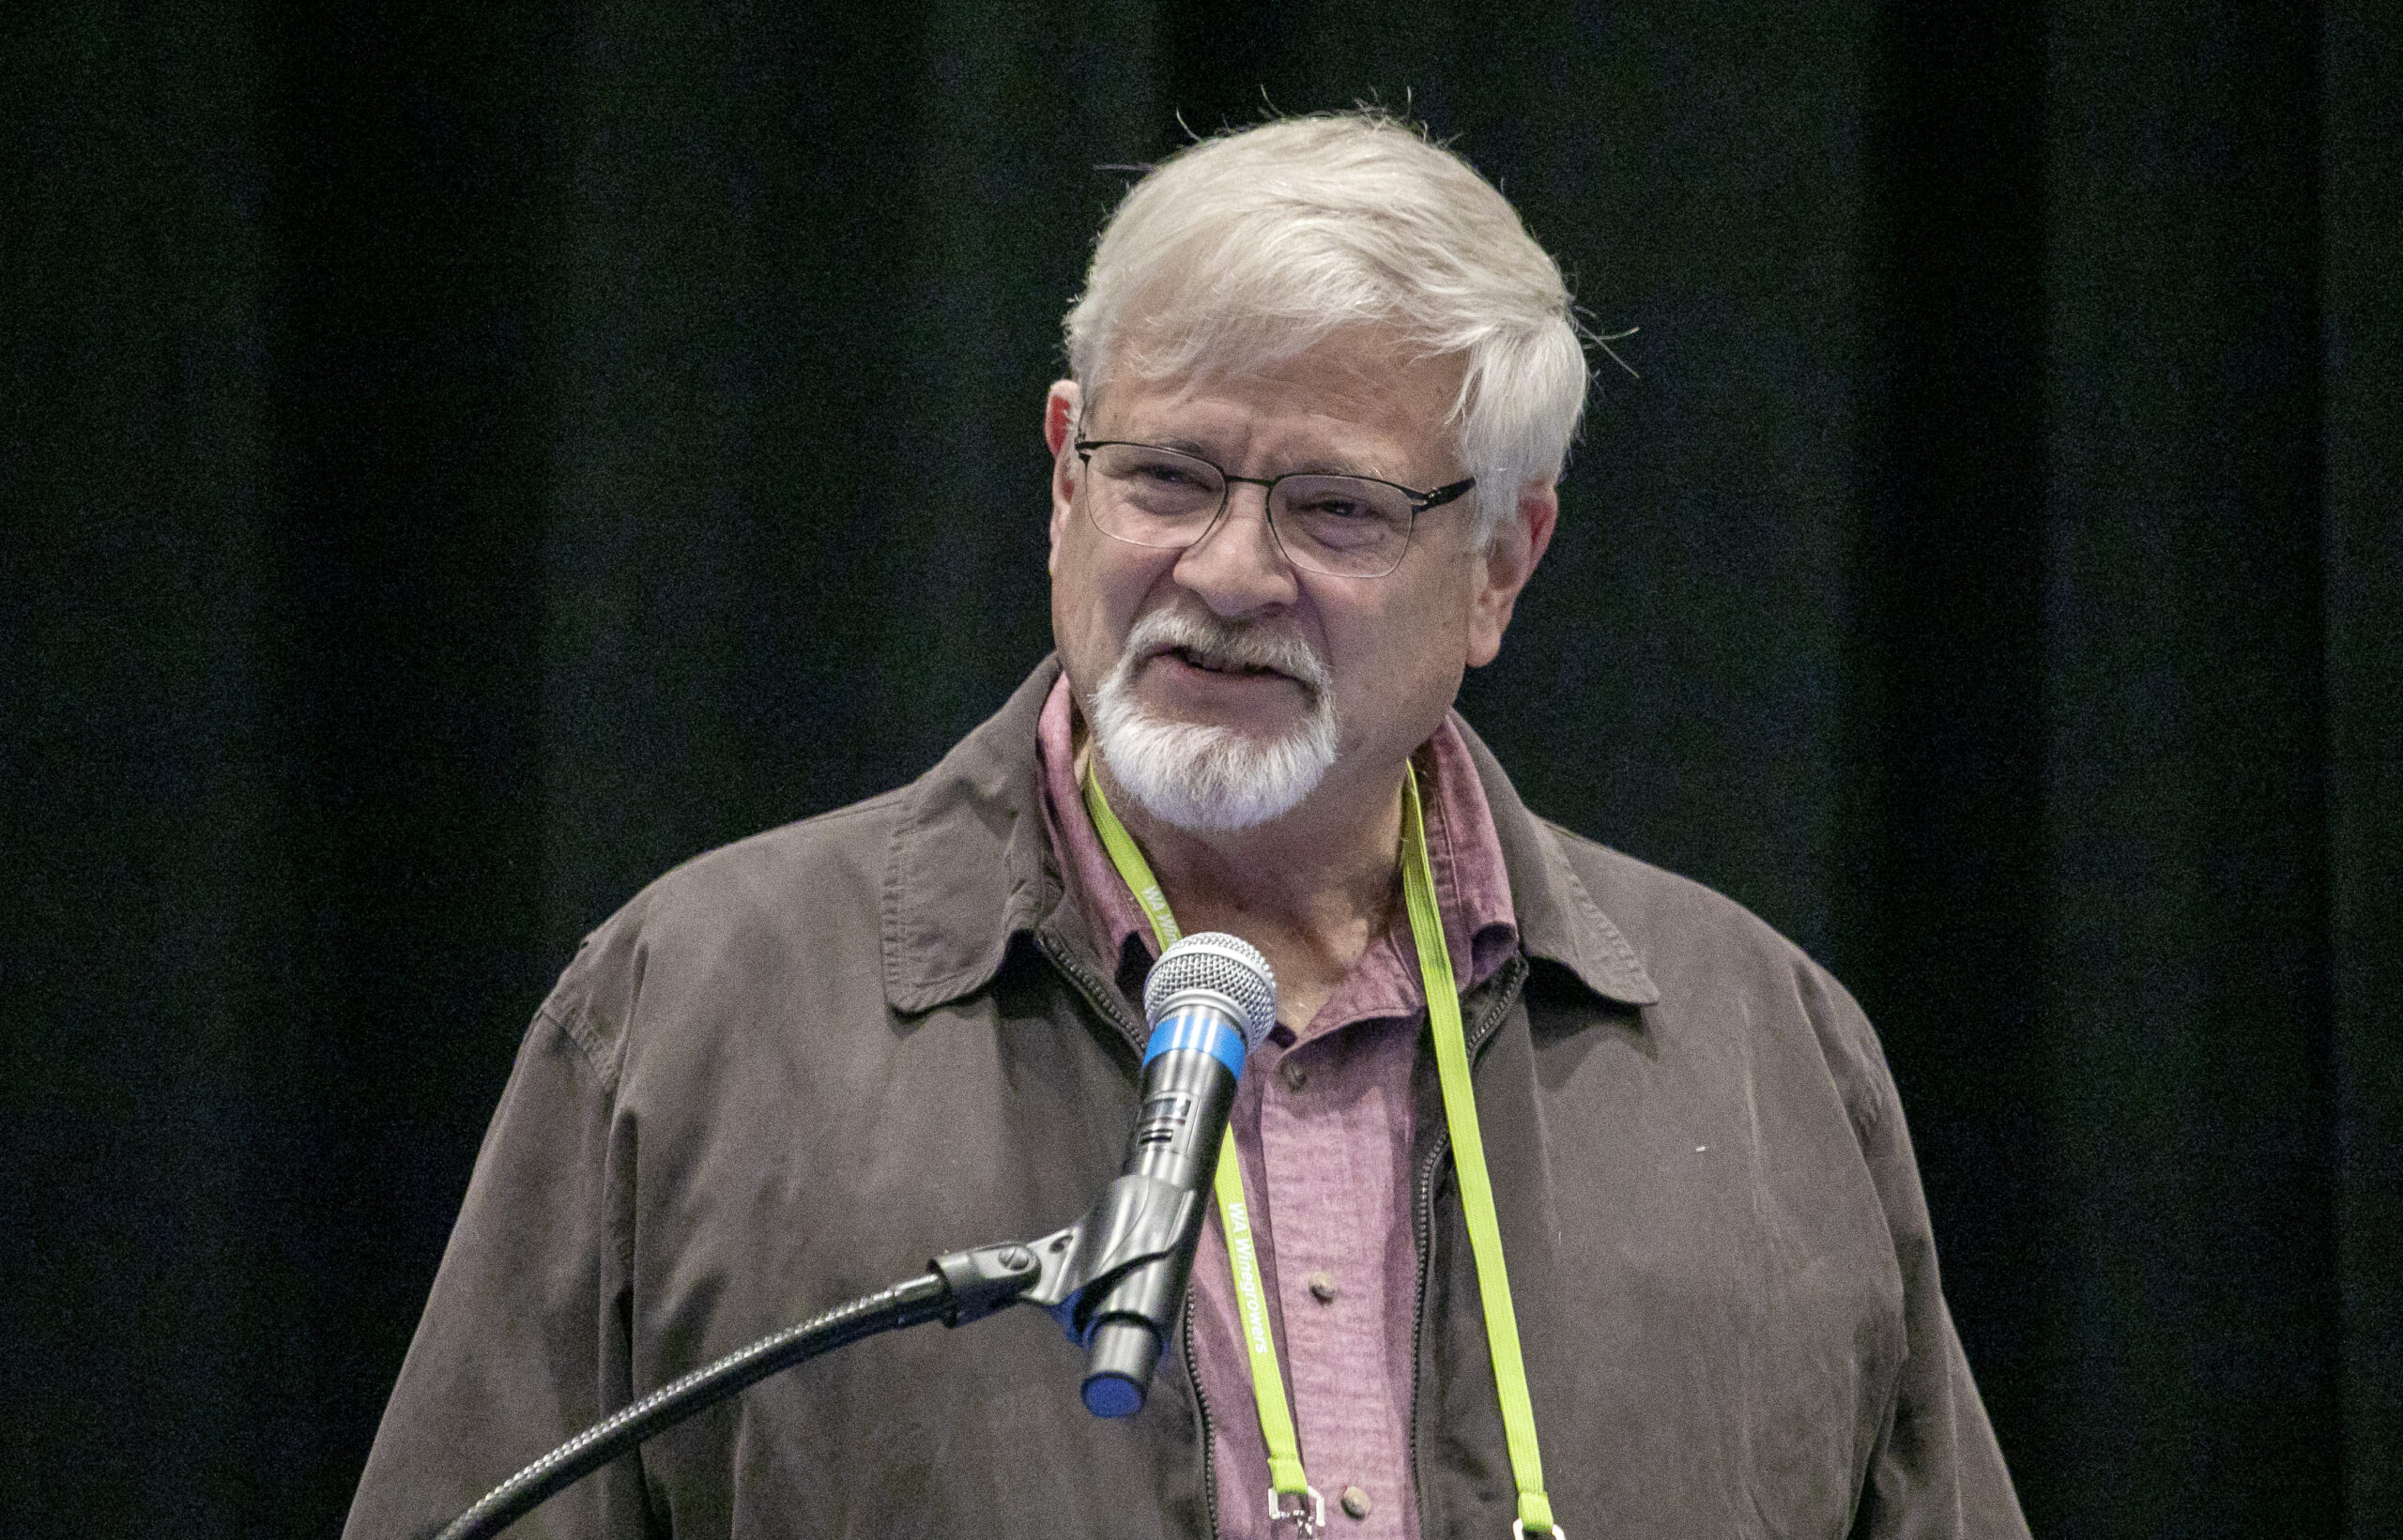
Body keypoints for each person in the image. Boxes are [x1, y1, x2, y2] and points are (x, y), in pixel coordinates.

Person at [344, 113, 2029, 1540]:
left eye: (1335, 507)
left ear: (1504, 561)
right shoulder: (700, 1012)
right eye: (1167, 478)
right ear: (1064, 477)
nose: (1228, 571)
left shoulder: (1765, 1055)